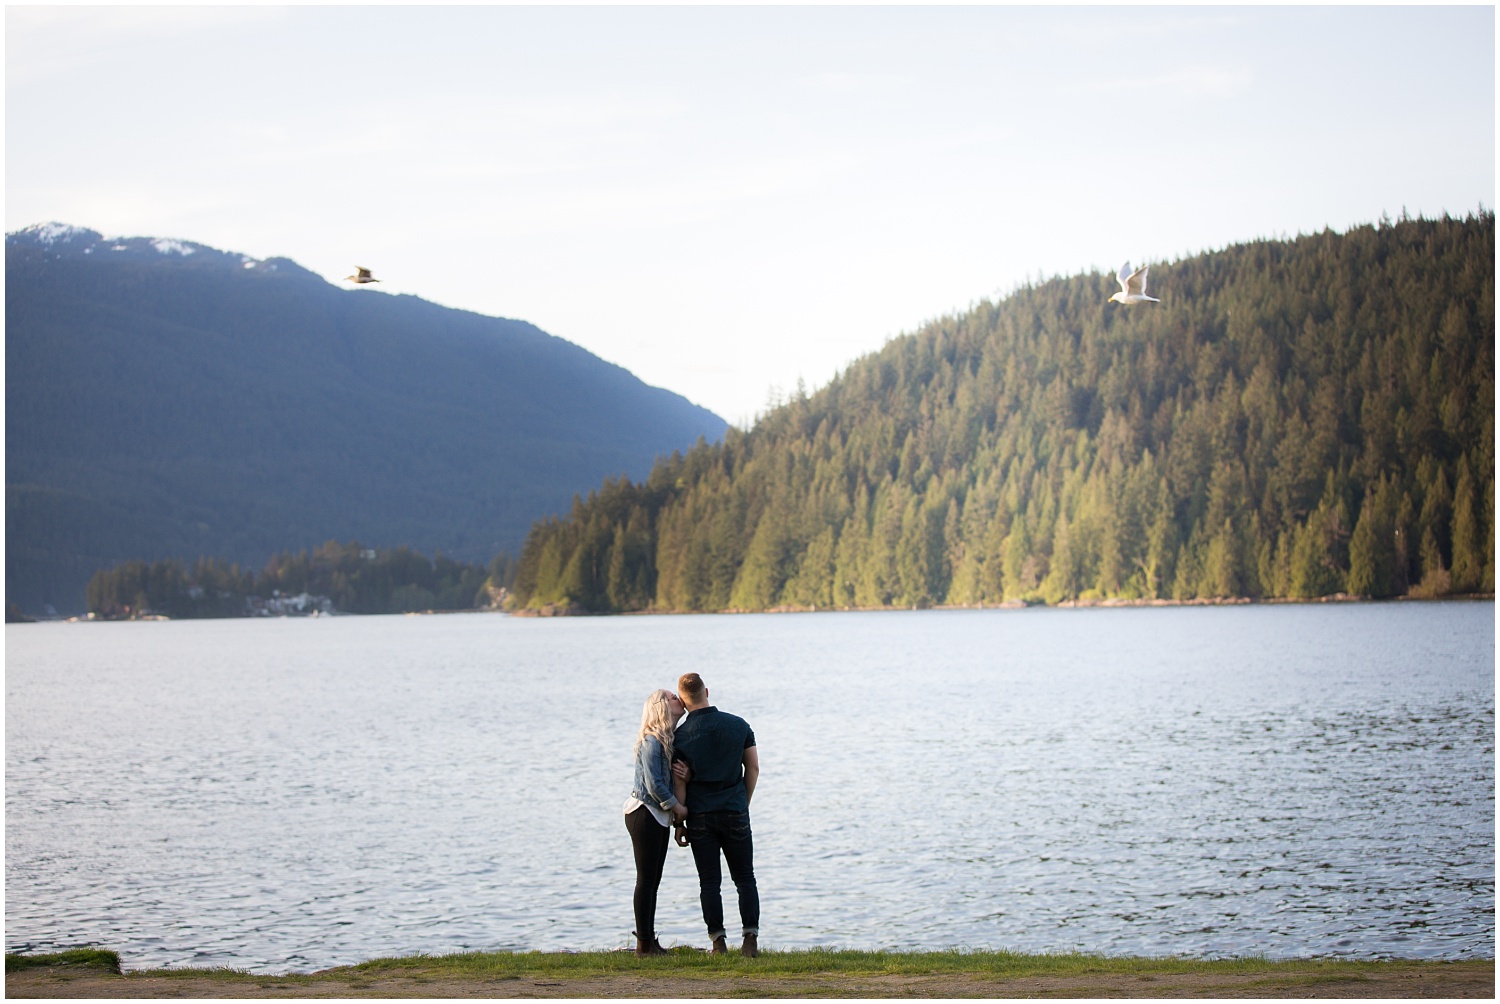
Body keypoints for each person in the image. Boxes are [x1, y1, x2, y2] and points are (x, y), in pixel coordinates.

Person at [670, 672, 761, 957]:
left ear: (683, 702)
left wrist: (680, 823)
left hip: (700, 817)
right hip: (734, 811)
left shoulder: (680, 736)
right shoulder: (738, 725)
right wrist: (742, 804)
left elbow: (679, 783)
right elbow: (754, 768)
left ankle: (718, 942)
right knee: (745, 877)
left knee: (709, 882)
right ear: (707, 691)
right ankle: (749, 940)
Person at [623, 688, 689, 957]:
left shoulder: (665, 742)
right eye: (673, 697)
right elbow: (655, 786)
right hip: (644, 813)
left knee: (654, 880)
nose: (679, 699)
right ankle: (643, 946)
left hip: (658, 815)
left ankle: (649, 940)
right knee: (646, 879)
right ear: (661, 706)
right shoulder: (651, 742)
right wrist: (680, 809)